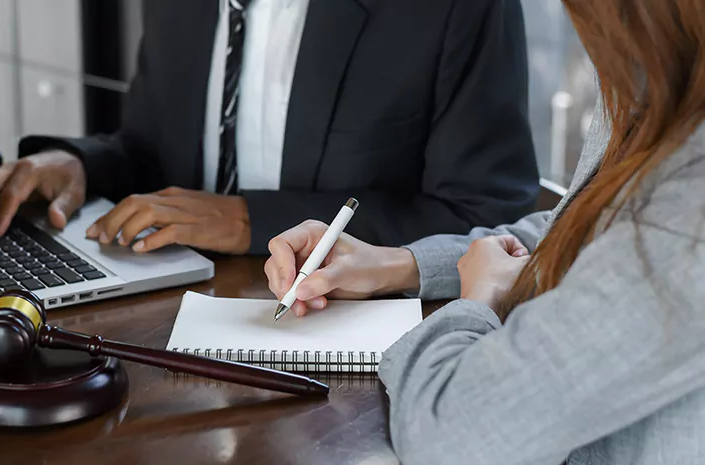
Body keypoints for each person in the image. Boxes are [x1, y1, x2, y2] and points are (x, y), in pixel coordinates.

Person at [264, 1, 705, 463]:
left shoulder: (688, 207)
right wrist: (399, 265)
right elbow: (587, 226)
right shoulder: (661, 80)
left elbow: (448, 437)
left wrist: (477, 301)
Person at [0, 0, 539, 255]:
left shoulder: (456, 7)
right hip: (172, 321)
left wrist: (247, 222)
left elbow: (484, 217)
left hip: (346, 353)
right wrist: (79, 164)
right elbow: (153, 151)